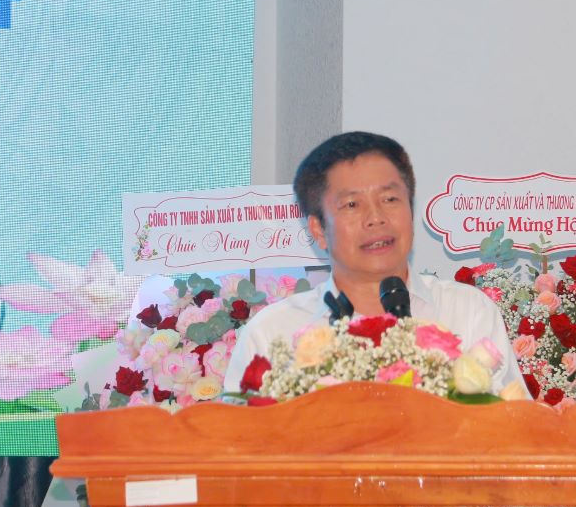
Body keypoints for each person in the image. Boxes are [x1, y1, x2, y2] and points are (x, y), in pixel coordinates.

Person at [223, 131, 526, 394]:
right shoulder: (272, 332)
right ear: (318, 230)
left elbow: (515, 431)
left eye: (390, 199)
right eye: (352, 204)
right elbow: (241, 449)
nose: (376, 217)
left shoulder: (468, 312)